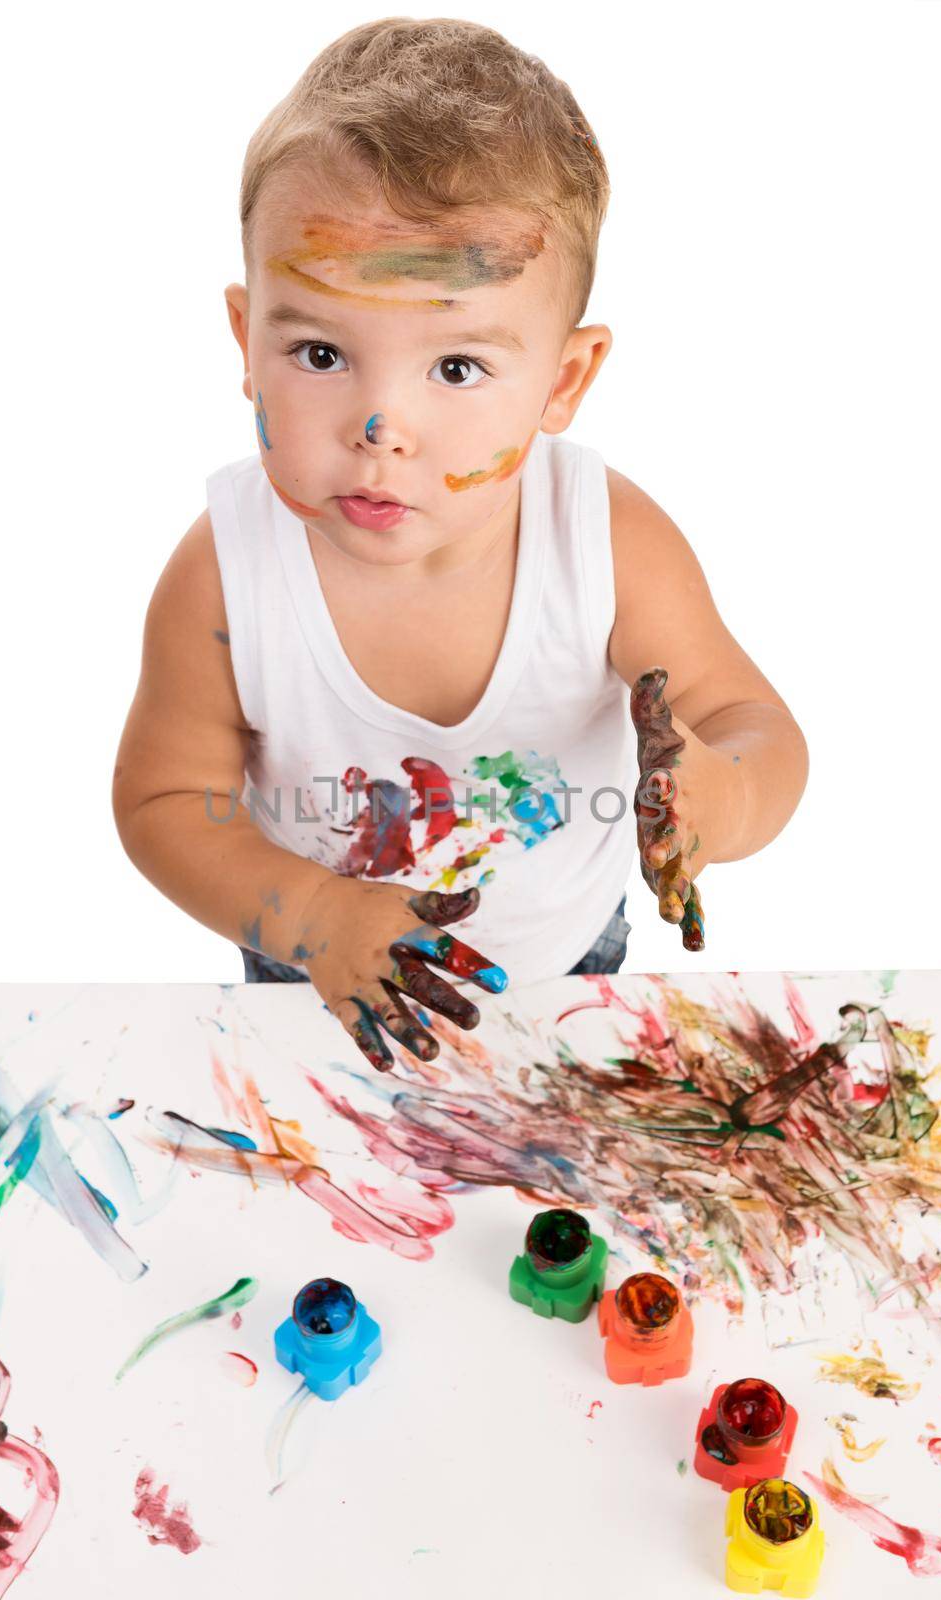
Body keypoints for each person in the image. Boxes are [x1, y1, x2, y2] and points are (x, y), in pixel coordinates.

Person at [112, 18, 808, 1072]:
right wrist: (312, 914)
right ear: (245, 344)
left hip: (566, 959)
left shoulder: (606, 542)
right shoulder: (227, 569)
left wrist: (725, 794)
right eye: (319, 351)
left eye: (455, 369)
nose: (381, 426)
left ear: (563, 381)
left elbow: (753, 722)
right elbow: (164, 800)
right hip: (318, 972)